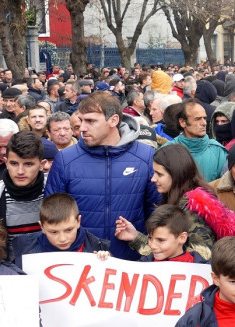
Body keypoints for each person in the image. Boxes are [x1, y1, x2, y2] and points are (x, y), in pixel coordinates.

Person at [45, 91, 160, 261]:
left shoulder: (145, 156)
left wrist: (146, 249)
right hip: (81, 263)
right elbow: (52, 215)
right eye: (81, 120)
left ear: (113, 120)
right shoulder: (65, 159)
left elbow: (157, 213)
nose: (82, 128)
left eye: (90, 121)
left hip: (132, 263)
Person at [115, 144, 235, 260]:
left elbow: (197, 259)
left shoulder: (191, 209)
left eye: (159, 174)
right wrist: (135, 237)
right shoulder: (178, 200)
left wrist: (138, 240)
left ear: (176, 174)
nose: (153, 179)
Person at [0, 132, 47, 261]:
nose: (20, 171)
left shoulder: (54, 192)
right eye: (14, 163)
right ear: (6, 162)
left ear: (41, 165)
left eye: (28, 164)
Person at [12, 193, 111, 268]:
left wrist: (107, 262)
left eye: (68, 230)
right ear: (42, 227)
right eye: (54, 232)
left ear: (78, 221)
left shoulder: (97, 247)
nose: (62, 239)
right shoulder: (25, 251)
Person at [166, 98, 228, 182]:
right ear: (182, 122)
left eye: (204, 118)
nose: (204, 123)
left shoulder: (218, 151)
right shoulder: (167, 151)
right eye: (198, 119)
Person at [138, 204, 208, 263]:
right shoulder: (143, 265)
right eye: (150, 238)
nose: (152, 246)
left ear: (182, 238)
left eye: (161, 240)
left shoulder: (202, 267)